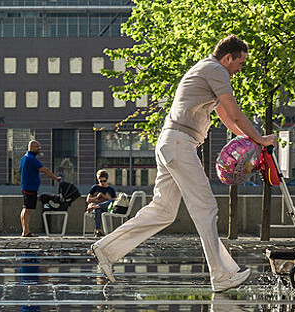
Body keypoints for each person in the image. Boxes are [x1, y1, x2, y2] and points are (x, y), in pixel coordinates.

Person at [90, 34, 277, 292]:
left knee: (164, 210)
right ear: (228, 57)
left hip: (172, 142)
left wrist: (252, 140)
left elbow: (226, 117)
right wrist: (261, 138)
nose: (240, 69)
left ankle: (106, 248)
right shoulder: (216, 70)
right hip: (180, 143)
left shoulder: (208, 70)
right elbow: (234, 112)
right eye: (240, 63)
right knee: (206, 208)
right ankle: (220, 275)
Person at [20, 140, 62, 237]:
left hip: (26, 186)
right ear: (31, 147)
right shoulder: (31, 159)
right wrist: (56, 178)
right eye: (36, 147)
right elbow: (44, 170)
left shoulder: (24, 158)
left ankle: (25, 230)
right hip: (30, 187)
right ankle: (26, 231)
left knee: (25, 208)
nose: (38, 149)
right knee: (28, 210)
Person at [86, 169, 117, 237]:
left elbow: (114, 201)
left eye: (104, 181)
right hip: (96, 207)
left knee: (111, 201)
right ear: (98, 179)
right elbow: (88, 200)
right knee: (98, 210)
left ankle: (97, 206)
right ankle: (98, 231)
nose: (102, 182)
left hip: (107, 208)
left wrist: (107, 197)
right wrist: (97, 197)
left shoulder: (110, 189)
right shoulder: (95, 187)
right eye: (101, 181)